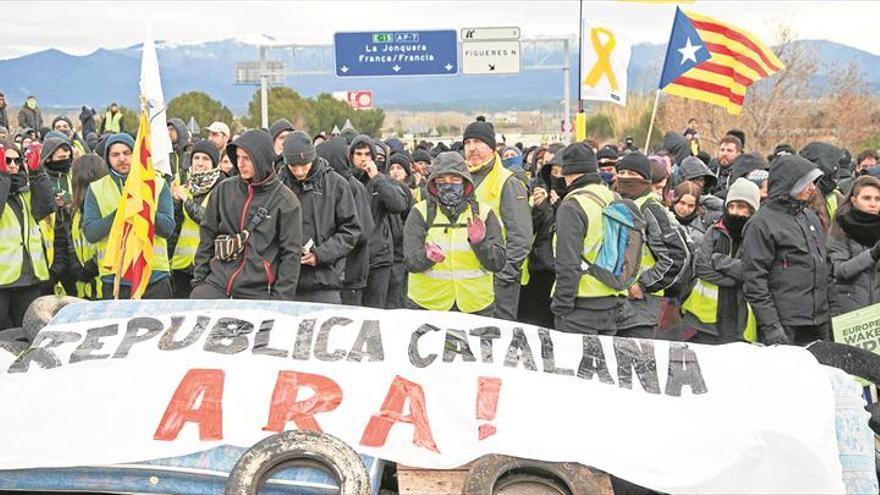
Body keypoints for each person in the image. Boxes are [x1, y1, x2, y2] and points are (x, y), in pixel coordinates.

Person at [191, 130, 302, 300]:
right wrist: (199, 282)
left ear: (261, 159)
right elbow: (207, 236)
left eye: (247, 158)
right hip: (216, 284)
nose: (240, 163)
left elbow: (291, 255)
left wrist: (280, 301)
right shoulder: (223, 190)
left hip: (258, 292)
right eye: (238, 157)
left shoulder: (286, 201)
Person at [404, 151, 505, 315]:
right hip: (428, 306)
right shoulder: (420, 212)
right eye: (441, 181)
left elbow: (498, 263)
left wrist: (480, 244)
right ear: (433, 184)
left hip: (476, 307)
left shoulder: (484, 214)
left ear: (465, 183)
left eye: (455, 180)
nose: (448, 184)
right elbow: (410, 262)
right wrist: (426, 257)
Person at [743, 154, 829, 346]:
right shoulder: (761, 223)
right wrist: (771, 327)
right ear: (791, 183)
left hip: (818, 322)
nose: (812, 188)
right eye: (807, 182)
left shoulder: (810, 218)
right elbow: (755, 281)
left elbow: (824, 266)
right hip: (785, 324)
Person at [83, 133, 175, 299]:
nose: (122, 159)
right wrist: (120, 214)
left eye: (127, 153)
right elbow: (91, 233)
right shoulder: (96, 189)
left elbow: (167, 228)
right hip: (115, 280)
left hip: (154, 277)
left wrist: (143, 210)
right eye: (115, 155)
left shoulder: (158, 184)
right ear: (107, 158)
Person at [551, 143, 630, 334]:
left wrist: (561, 306)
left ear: (567, 173)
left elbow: (568, 263)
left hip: (581, 305)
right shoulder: (614, 198)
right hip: (612, 300)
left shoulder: (573, 205)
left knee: (574, 363)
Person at [614, 152, 691, 339]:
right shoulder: (617, 204)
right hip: (616, 302)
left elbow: (677, 256)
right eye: (621, 172)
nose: (625, 178)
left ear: (646, 179)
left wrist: (643, 284)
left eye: (632, 173)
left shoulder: (651, 209)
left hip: (640, 307)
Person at [462, 120, 533, 321]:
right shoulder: (462, 179)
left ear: (492, 147)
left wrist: (504, 275)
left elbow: (521, 237)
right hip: (470, 281)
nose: (472, 148)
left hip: (499, 281)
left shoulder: (508, 182)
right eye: (467, 143)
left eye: (478, 142)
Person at [280, 131, 360, 304]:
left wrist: (321, 254)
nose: (299, 172)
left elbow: (351, 230)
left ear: (313, 158)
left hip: (325, 282)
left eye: (304, 165)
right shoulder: (279, 185)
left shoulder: (336, 184)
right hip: (285, 283)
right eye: (293, 166)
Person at [681, 179, 761, 344]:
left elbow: (751, 271)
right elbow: (701, 267)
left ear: (753, 210)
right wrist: (734, 279)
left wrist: (719, 261)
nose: (735, 212)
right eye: (731, 206)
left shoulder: (759, 235)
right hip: (705, 321)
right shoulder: (714, 231)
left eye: (741, 207)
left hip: (741, 321)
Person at [349, 135, 409, 308]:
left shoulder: (383, 182)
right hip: (353, 259)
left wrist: (376, 178)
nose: (363, 159)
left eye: (367, 154)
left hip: (378, 260)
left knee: (375, 313)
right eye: (358, 154)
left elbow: (398, 205)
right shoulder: (345, 182)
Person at [0, 140, 53, 329]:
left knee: (29, 334)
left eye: (17, 160)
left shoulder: (26, 191)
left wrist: (37, 172)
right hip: (1, 282)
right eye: (7, 160)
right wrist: (2, 177)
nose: (13, 165)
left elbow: (46, 207)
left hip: (28, 278)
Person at [316, 136, 374, 305]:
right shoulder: (333, 184)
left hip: (350, 272)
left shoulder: (350, 186)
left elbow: (363, 230)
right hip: (337, 271)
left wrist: (334, 241)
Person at [168, 140, 223, 299]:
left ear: (214, 163)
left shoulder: (221, 188)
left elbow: (209, 221)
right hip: (181, 266)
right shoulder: (183, 189)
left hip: (208, 267)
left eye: (205, 159)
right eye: (196, 158)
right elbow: (173, 229)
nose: (200, 163)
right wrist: (176, 203)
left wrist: (187, 202)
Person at [827, 175, 880, 317]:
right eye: (867, 198)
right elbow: (840, 270)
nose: (873, 204)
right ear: (854, 200)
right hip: (850, 314)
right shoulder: (840, 228)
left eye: (877, 199)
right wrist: (873, 254)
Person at [66, 155, 108, 299]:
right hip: (86, 289)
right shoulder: (76, 211)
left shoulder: (103, 205)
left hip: (104, 283)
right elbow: (74, 242)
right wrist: (76, 267)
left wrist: (90, 268)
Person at [385, 153, 416, 309]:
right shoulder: (384, 189)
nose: (395, 171)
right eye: (392, 168)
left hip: (401, 254)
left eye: (399, 168)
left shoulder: (411, 194)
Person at [670, 181, 709, 245]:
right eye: (682, 203)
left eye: (691, 206)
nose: (685, 209)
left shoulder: (702, 221)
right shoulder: (663, 217)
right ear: (674, 199)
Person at [167, 118, 191, 183]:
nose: (169, 132)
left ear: (180, 131)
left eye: (171, 129)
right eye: (167, 130)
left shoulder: (190, 153)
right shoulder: (166, 153)